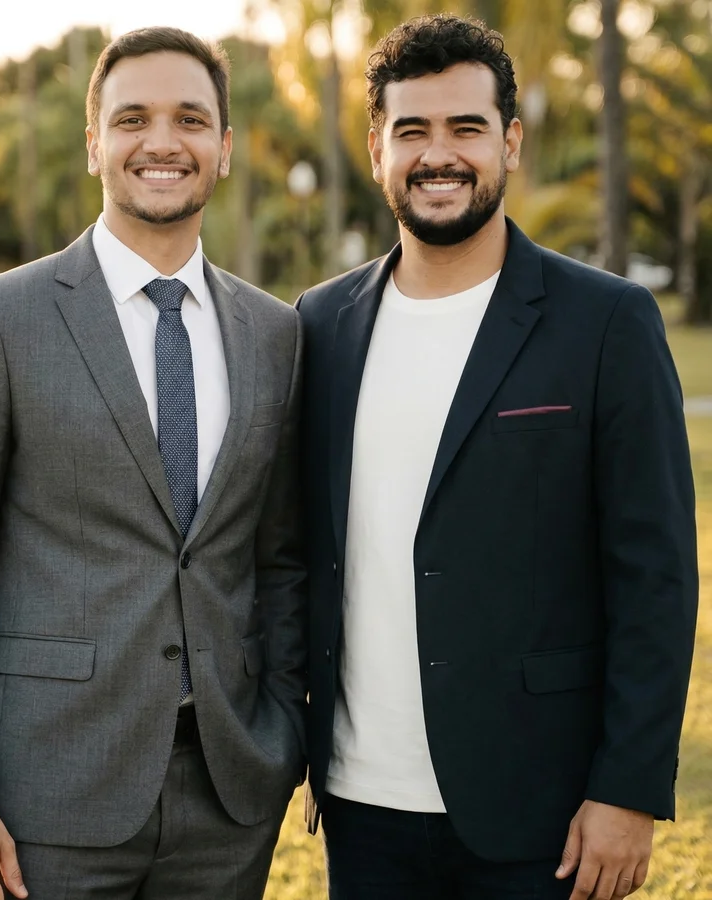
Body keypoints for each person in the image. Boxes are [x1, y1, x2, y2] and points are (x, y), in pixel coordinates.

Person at [0, 26, 306, 900]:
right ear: (95, 144)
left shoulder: (276, 334)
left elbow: (281, 562)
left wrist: (286, 733)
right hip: (45, 790)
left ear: (224, 150)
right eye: (133, 119)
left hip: (231, 798)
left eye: (191, 119)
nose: (162, 141)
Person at [297, 14, 698, 900]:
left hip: (543, 809)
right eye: (413, 131)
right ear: (376, 149)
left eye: (466, 128)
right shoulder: (319, 326)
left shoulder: (607, 323)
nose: (440, 155)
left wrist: (626, 789)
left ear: (510, 142)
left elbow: (656, 574)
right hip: (363, 808)